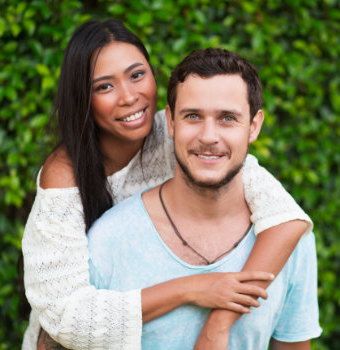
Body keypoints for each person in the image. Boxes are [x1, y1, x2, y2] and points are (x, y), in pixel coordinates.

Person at [22, 20, 312, 350]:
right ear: (83, 98)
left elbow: (285, 214)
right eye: (104, 87)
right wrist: (192, 288)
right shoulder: (65, 175)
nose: (129, 96)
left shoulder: (181, 132)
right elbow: (66, 317)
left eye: (136, 75)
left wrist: (220, 320)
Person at [87, 48, 322, 349]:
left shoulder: (292, 242)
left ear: (254, 126)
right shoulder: (110, 240)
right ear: (170, 122)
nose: (209, 136)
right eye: (193, 116)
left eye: (227, 118)